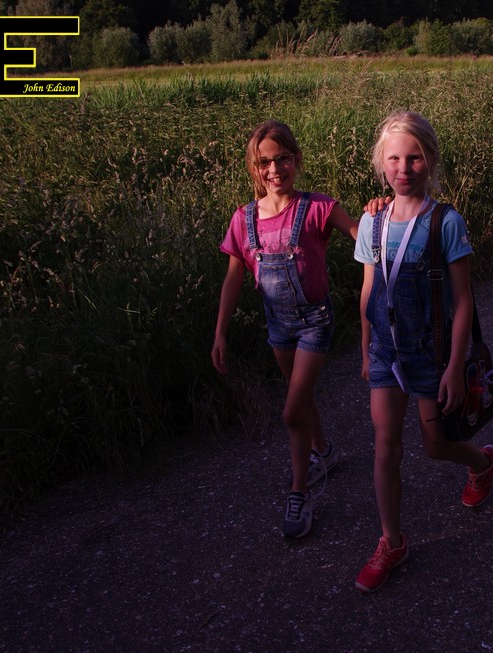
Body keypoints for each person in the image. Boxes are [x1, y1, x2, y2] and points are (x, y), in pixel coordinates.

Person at [352, 110, 493, 594]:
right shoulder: (371, 221)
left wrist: (455, 367)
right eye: (394, 158)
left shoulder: (446, 223)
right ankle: (391, 541)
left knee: (435, 445)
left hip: (431, 356)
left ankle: (481, 463)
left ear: (431, 161)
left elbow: (463, 301)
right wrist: (365, 346)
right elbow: (369, 290)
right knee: (385, 446)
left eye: (414, 158)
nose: (403, 168)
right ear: (381, 163)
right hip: (386, 354)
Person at [212, 120, 357, 539]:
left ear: (297, 160)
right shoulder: (244, 220)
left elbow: (362, 235)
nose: (274, 170)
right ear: (253, 168)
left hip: (315, 323)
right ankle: (323, 452)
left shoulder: (317, 208)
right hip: (278, 326)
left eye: (282, 159)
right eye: (264, 163)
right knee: (301, 395)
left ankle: (299, 493)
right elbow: (234, 278)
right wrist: (220, 332)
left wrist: (378, 213)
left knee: (291, 410)